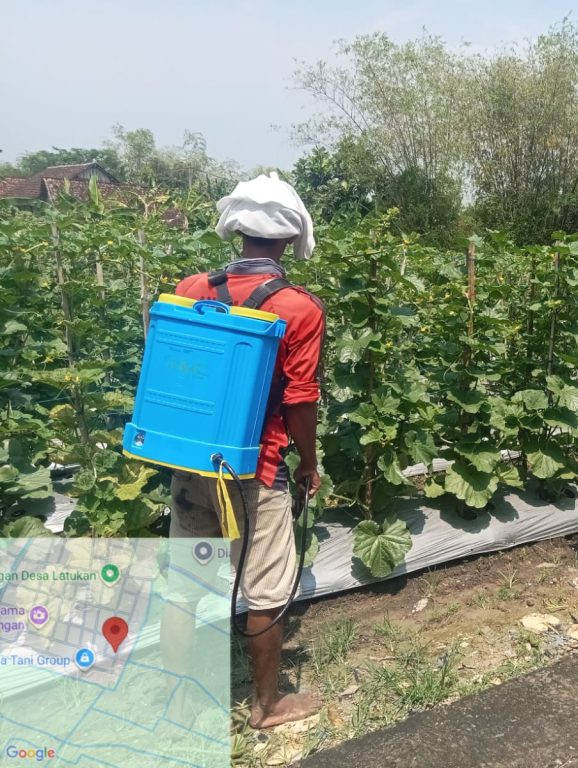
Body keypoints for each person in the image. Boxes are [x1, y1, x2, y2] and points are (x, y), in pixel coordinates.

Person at [166, 173, 325, 728]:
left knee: (186, 581)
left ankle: (179, 703)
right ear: (287, 240)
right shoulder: (299, 308)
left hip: (190, 460)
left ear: (238, 230)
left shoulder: (192, 287)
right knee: (265, 587)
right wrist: (308, 462)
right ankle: (267, 705)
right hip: (256, 468)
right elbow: (300, 399)